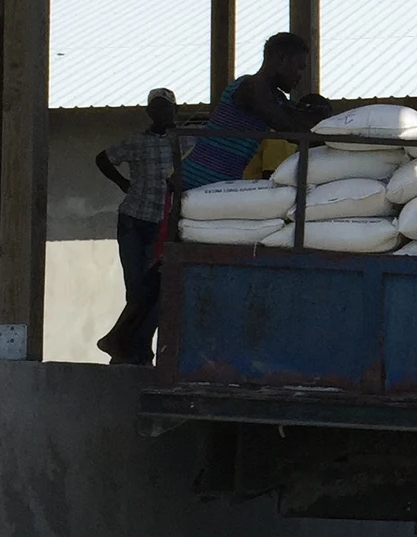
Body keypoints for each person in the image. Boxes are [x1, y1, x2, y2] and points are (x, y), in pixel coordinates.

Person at [93, 86, 184, 364]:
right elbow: (102, 158)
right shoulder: (136, 141)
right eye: (156, 107)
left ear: (174, 110)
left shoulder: (184, 141)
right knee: (136, 289)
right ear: (149, 112)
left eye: (165, 107)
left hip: (164, 225)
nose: (161, 112)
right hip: (133, 220)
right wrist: (122, 183)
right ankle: (129, 350)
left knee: (154, 291)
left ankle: (136, 348)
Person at [177, 32, 334, 192]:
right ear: (281, 58)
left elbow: (298, 120)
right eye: (299, 67)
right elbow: (290, 128)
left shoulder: (275, 96)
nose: (300, 75)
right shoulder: (252, 86)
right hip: (193, 183)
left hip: (216, 185)